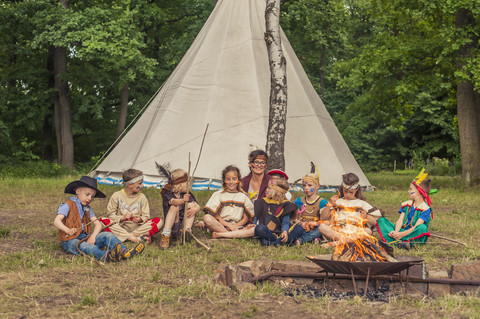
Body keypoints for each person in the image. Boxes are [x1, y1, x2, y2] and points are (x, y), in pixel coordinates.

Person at [54, 176, 144, 262]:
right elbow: (57, 221)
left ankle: (124, 252)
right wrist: (67, 230)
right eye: (87, 194)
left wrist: (93, 236)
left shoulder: (87, 208)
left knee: (108, 235)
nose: (90, 198)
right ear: (78, 191)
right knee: (87, 247)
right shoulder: (67, 205)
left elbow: (98, 224)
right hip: (70, 240)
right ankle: (106, 256)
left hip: (84, 237)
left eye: (92, 196)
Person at [213, 179, 303, 246]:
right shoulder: (262, 202)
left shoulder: (286, 204)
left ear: (277, 191)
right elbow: (257, 218)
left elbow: (285, 222)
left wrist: (284, 232)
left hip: (281, 233)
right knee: (259, 228)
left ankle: (271, 243)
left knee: (300, 228)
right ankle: (282, 243)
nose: (266, 190)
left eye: (269, 188)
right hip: (268, 232)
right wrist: (254, 224)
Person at [318, 173, 382, 248]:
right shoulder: (337, 201)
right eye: (345, 191)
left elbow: (375, 222)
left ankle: (337, 243)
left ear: (357, 189)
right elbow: (322, 218)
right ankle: (349, 241)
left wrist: (366, 217)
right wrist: (329, 204)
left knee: (368, 231)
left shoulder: (362, 204)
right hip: (338, 231)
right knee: (321, 227)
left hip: (355, 231)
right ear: (342, 189)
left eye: (351, 192)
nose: (348, 194)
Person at [100, 169, 163, 244]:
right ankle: (135, 239)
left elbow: (146, 216)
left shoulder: (142, 197)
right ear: (130, 185)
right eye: (139, 184)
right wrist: (122, 218)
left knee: (159, 222)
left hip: (138, 228)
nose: (142, 185)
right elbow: (111, 215)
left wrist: (140, 219)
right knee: (102, 221)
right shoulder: (116, 196)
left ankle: (128, 236)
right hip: (120, 227)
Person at [376, 169, 434, 249]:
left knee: (422, 228)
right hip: (401, 231)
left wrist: (400, 235)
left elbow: (416, 227)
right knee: (381, 220)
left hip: (413, 234)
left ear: (418, 192)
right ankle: (400, 243)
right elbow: (400, 220)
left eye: (410, 189)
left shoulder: (426, 209)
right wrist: (396, 232)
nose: (408, 191)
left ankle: (396, 241)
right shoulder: (406, 204)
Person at [203, 165, 254, 233]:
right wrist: (228, 225)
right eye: (228, 179)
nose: (231, 182)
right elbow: (215, 215)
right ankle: (229, 233)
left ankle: (224, 234)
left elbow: (246, 218)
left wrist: (235, 226)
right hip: (221, 224)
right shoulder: (218, 194)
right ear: (224, 180)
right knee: (206, 218)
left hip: (237, 226)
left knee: (254, 228)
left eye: (234, 179)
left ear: (238, 180)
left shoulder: (243, 197)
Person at [159, 168, 200, 249]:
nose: (188, 185)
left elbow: (197, 205)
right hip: (174, 225)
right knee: (174, 207)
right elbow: (173, 201)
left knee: (192, 206)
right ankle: (166, 235)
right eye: (186, 183)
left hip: (183, 225)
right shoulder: (168, 194)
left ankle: (186, 231)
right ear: (179, 184)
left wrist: (195, 210)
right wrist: (183, 200)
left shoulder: (186, 193)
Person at [293, 169, 329, 245]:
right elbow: (294, 218)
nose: (306, 188)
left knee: (321, 229)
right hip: (302, 227)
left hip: (315, 228)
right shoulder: (300, 200)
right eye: (304, 185)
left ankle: (302, 239)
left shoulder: (322, 202)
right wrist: (300, 223)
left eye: (310, 185)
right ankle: (312, 239)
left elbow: (326, 221)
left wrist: (315, 223)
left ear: (317, 186)